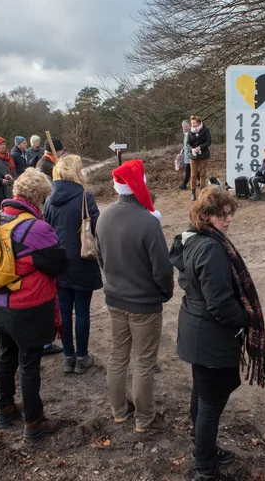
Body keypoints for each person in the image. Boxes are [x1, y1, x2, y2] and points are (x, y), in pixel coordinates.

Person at [170, 188, 265, 481]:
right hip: (209, 337)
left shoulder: (194, 239)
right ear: (205, 216)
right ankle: (205, 469)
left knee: (202, 394)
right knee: (210, 404)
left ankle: (203, 449)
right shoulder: (211, 248)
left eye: (230, 214)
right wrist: (245, 320)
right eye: (221, 215)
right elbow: (220, 303)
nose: (228, 220)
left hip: (197, 332)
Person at [0, 169, 69, 442]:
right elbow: (59, 263)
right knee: (29, 361)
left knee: (6, 352)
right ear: (40, 197)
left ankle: (4, 407)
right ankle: (34, 421)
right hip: (24, 305)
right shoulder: (36, 227)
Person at [96, 159, 174, 432]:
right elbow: (162, 268)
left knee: (118, 355)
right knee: (143, 361)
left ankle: (119, 411)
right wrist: (165, 292)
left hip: (115, 299)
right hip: (144, 304)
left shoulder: (103, 216)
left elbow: (101, 259)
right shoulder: (147, 222)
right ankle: (145, 419)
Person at [43, 154, 102, 373]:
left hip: (59, 262)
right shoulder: (85, 196)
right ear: (76, 172)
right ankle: (82, 357)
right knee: (83, 311)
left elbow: (45, 229)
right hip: (82, 260)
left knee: (65, 312)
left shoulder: (49, 199)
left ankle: (68, 357)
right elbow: (98, 227)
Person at [187, 115, 212, 201]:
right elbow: (188, 143)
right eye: (191, 123)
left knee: (202, 174)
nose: (192, 125)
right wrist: (192, 149)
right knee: (193, 175)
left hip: (203, 155)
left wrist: (200, 147)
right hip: (193, 156)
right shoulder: (190, 131)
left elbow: (209, 141)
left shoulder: (205, 130)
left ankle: (202, 192)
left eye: (194, 123)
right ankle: (193, 192)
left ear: (198, 123)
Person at [178, 120, 192, 190]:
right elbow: (186, 144)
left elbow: (190, 144)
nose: (185, 128)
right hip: (186, 155)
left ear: (189, 125)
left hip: (190, 155)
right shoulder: (185, 134)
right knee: (192, 170)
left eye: (186, 126)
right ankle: (201, 181)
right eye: (183, 127)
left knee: (188, 170)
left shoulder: (190, 133)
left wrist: (190, 153)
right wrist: (182, 149)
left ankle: (184, 184)